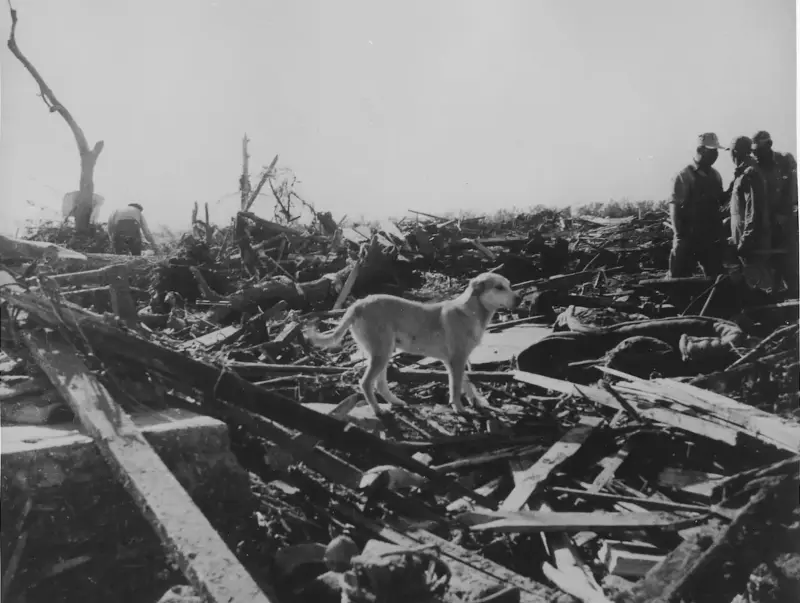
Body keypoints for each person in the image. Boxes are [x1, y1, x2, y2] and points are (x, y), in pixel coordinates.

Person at [668, 133, 727, 278]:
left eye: (716, 151)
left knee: (715, 278)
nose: (715, 155)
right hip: (688, 235)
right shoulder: (684, 176)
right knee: (679, 278)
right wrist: (679, 236)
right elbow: (674, 207)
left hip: (709, 236)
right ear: (700, 150)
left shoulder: (716, 175)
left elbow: (720, 202)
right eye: (712, 151)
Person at [751, 130, 798, 294]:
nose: (755, 154)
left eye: (758, 150)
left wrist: (784, 214)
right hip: (765, 220)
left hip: (784, 218)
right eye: (753, 151)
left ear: (769, 146)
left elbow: (791, 191)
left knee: (788, 259)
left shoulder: (784, 161)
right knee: (769, 261)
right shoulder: (754, 166)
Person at [729, 136, 772, 290]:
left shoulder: (749, 173)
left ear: (734, 152)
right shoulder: (743, 173)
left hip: (752, 242)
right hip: (747, 239)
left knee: (759, 283)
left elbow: (753, 211)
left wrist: (746, 239)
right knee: (752, 283)